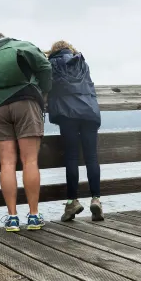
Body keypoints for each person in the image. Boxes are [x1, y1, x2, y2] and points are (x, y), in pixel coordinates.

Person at [0, 32, 52, 231]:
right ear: (4, 39)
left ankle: (12, 218)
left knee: (7, 163)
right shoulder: (18, 45)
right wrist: (44, 89)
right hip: (25, 102)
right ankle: (34, 216)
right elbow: (45, 66)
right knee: (30, 161)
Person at [46, 40, 103, 222]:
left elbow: (47, 87)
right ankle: (96, 199)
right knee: (91, 157)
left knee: (71, 157)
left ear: (53, 52)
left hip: (67, 114)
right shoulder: (81, 62)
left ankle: (72, 201)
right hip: (89, 112)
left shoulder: (52, 64)